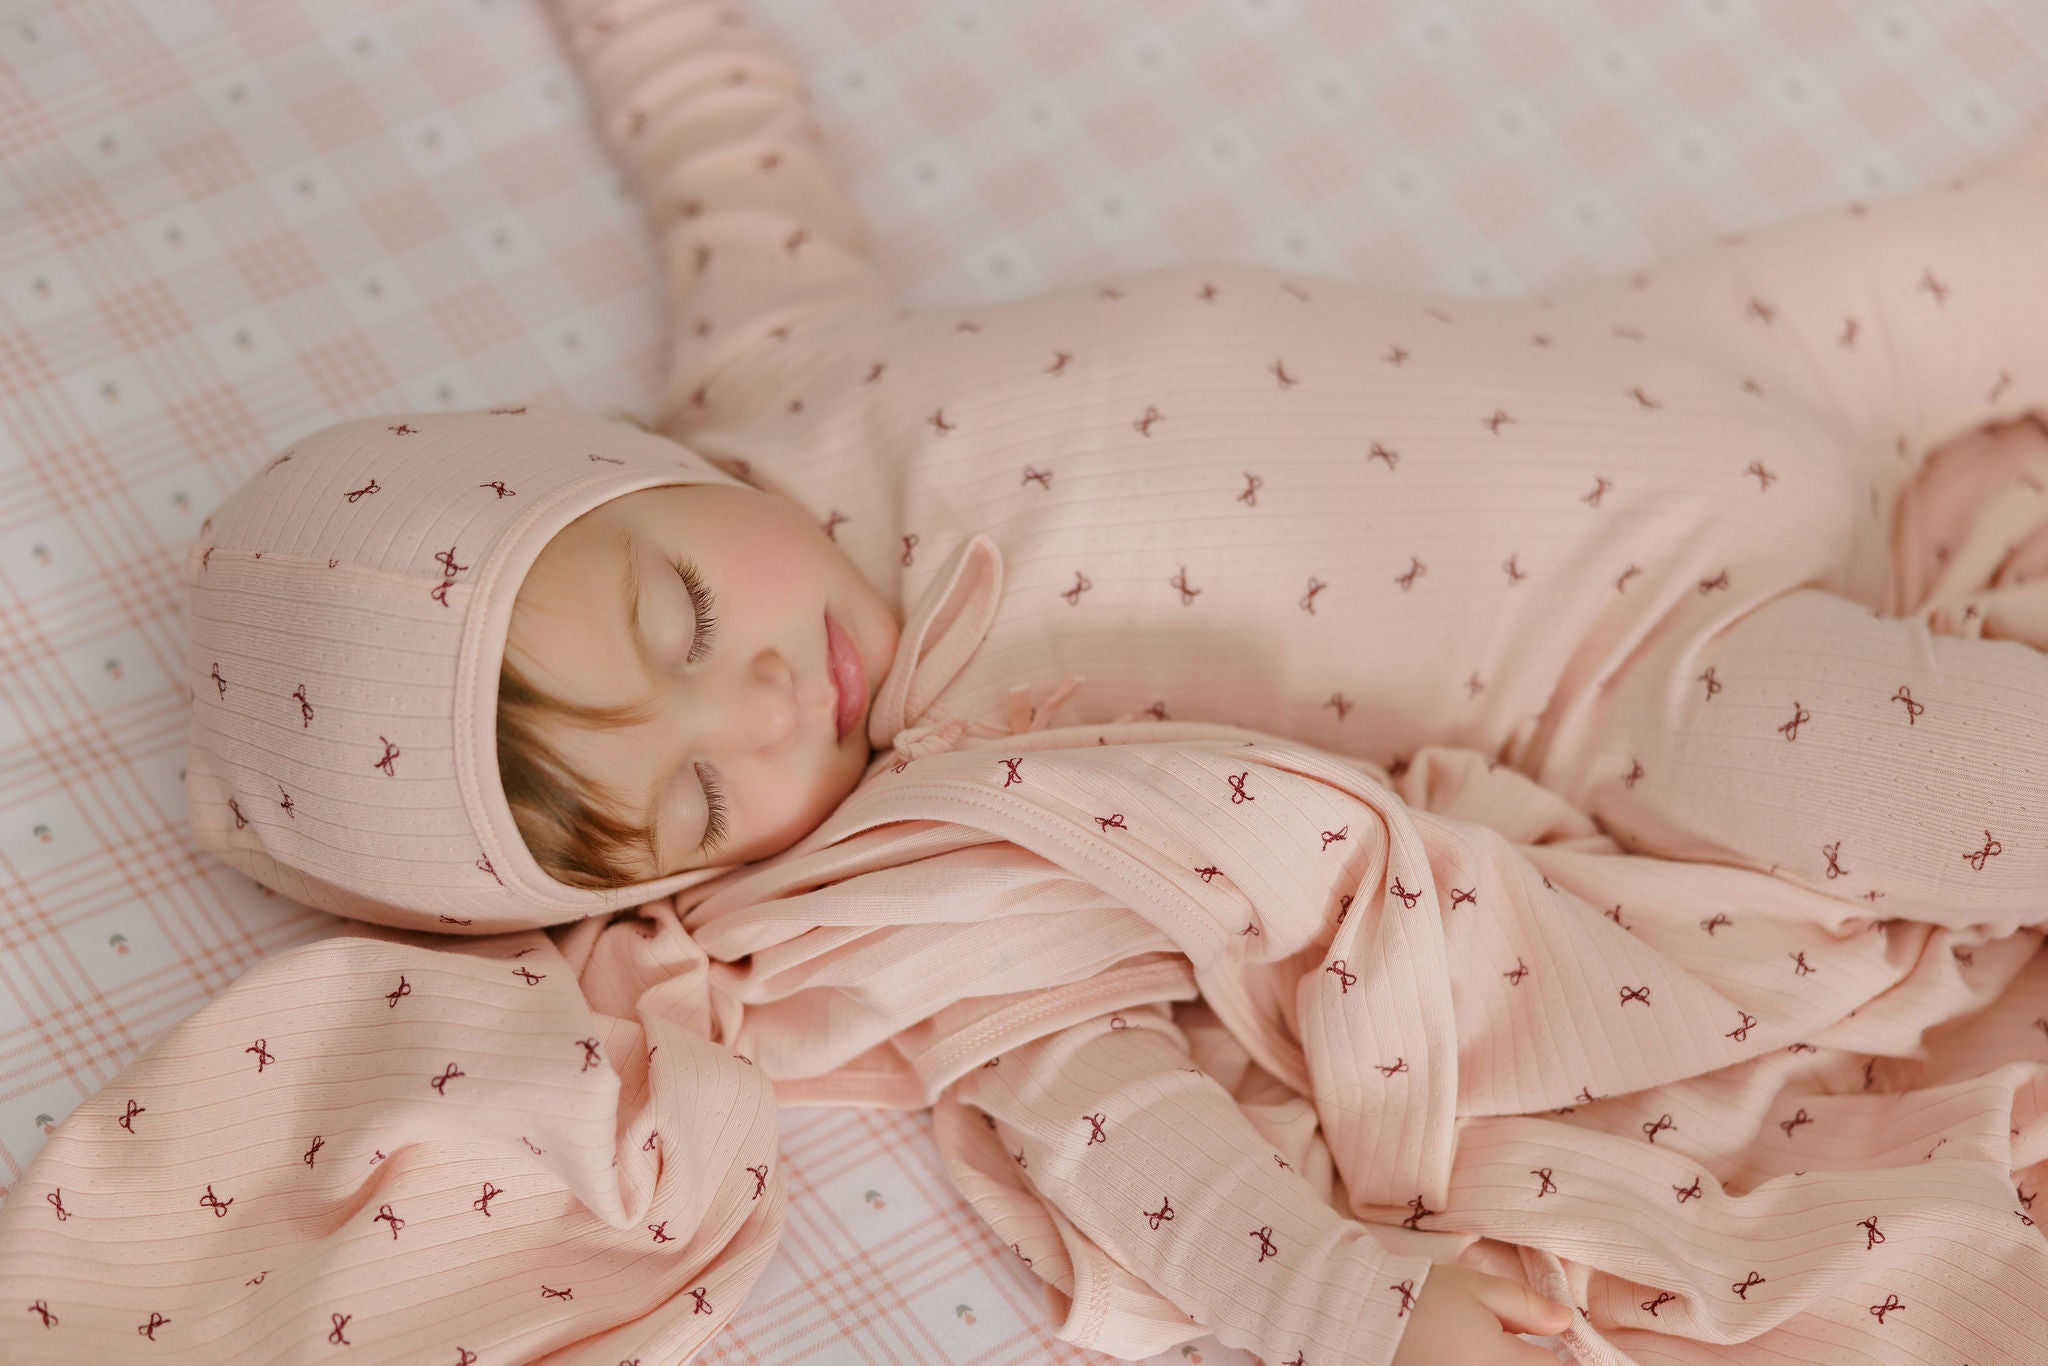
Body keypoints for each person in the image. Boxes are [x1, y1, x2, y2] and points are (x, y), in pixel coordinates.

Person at [4, 0, 2048, 1360]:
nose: (762, 713)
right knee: (1982, 788)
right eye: (694, 803)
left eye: (680, 622)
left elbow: (724, 142)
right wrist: (1359, 1308)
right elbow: (1103, 1115)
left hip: (1693, 348)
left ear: (617, 464)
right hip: (1669, 670)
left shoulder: (777, 364)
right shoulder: (920, 852)